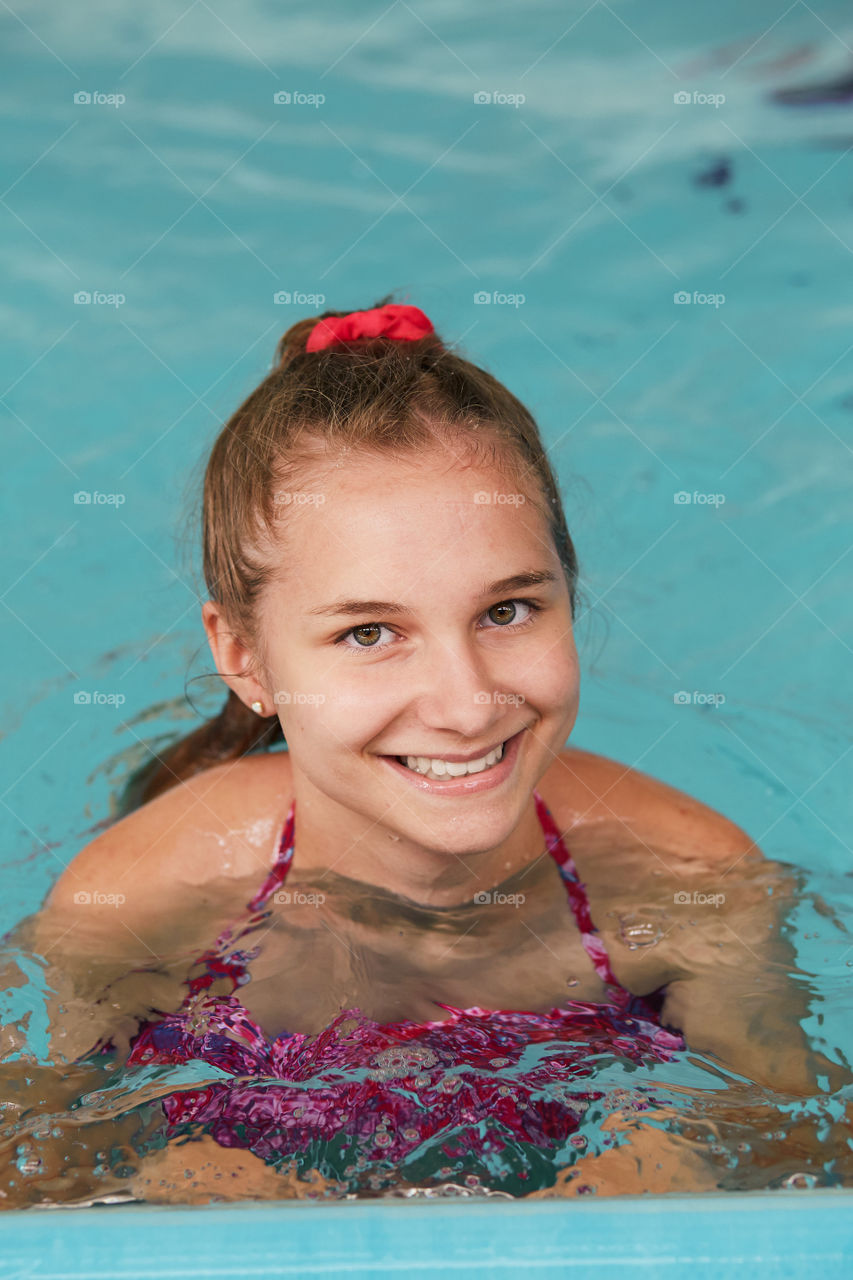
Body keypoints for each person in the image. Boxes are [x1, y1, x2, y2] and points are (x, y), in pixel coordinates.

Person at [10, 298, 850, 1203]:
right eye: (370, 633)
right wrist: (146, 1192)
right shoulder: (141, 906)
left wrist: (681, 1155)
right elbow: (35, 1173)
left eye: (507, 610)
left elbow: (791, 1142)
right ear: (244, 657)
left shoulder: (688, 882)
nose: (465, 704)